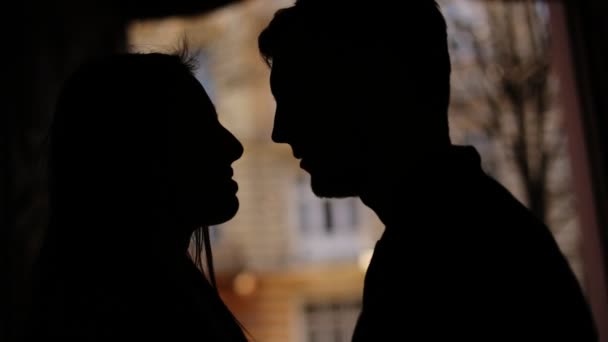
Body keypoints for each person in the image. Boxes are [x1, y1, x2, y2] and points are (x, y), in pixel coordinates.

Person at [258, 0, 598, 340]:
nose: (280, 130)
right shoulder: (473, 235)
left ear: (373, 92)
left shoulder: (440, 259)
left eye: (299, 100)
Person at [25, 52, 249, 341]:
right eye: (198, 129)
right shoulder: (150, 313)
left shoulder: (87, 302)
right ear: (138, 155)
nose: (233, 147)